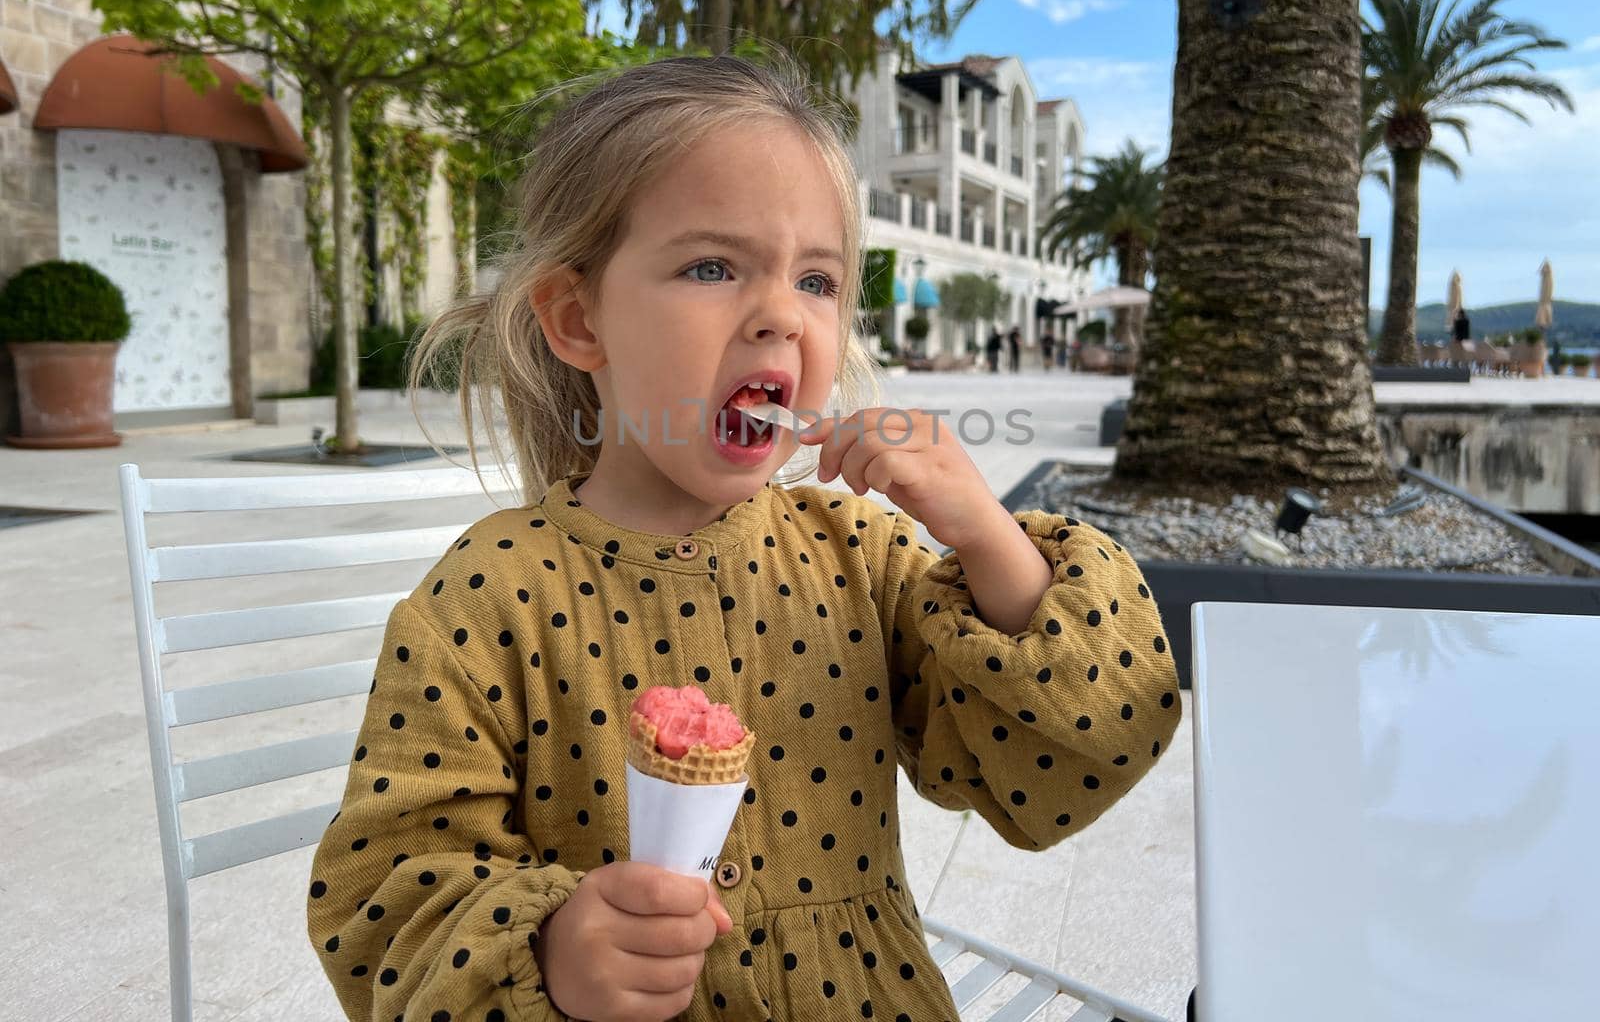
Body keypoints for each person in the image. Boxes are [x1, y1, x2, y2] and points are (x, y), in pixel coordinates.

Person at [305, 50, 1182, 1022]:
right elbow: (381, 895)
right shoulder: (492, 597)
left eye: (816, 280)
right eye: (713, 266)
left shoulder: (861, 556)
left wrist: (987, 539)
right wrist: (551, 951)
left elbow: (1082, 752)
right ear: (576, 317)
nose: (780, 316)